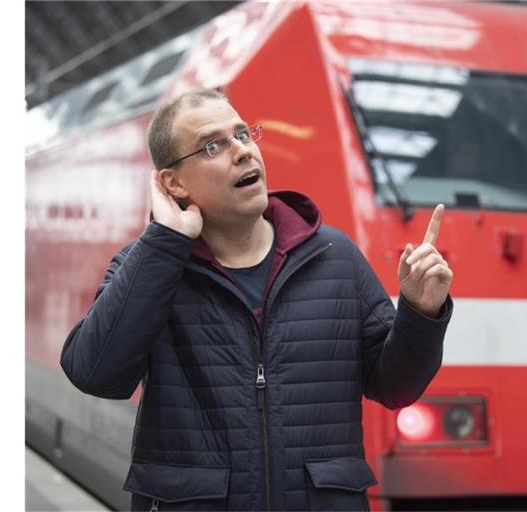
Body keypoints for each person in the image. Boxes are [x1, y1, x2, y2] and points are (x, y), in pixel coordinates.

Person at [60, 88, 453, 511]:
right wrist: (163, 243)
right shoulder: (151, 270)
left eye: (244, 135)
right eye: (213, 145)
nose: (243, 152)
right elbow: (95, 373)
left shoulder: (334, 258)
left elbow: (395, 386)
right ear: (173, 183)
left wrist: (419, 312)